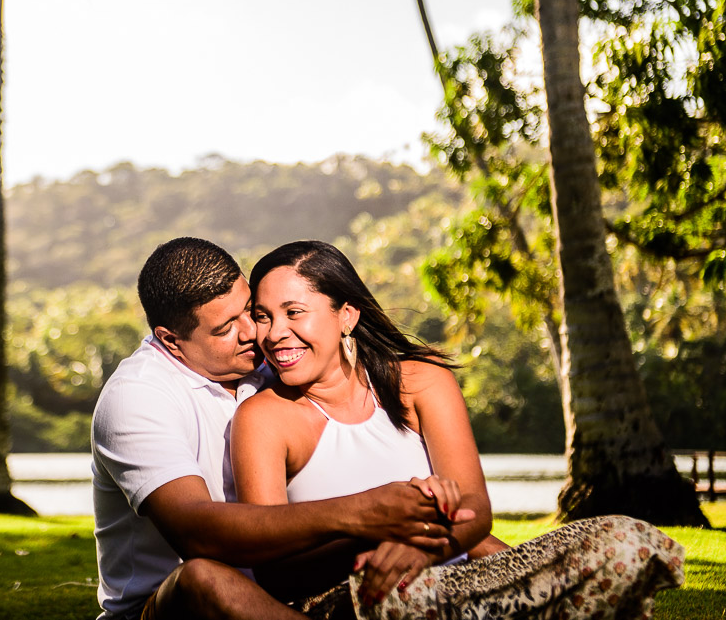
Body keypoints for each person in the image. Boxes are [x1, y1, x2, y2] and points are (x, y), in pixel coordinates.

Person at [234, 240, 685, 619]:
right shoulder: (262, 418)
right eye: (263, 316)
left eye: (294, 312)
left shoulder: (420, 379)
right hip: (357, 597)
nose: (275, 334)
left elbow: (474, 507)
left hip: (459, 577)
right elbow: (272, 568)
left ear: (346, 315)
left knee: (624, 542)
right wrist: (378, 529)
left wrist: (423, 550)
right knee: (405, 595)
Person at [91, 237, 461, 620]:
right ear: (172, 340)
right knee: (203, 578)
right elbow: (197, 534)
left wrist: (425, 526)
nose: (253, 331)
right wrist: (361, 512)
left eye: (250, 310)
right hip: (168, 608)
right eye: (225, 329)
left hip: (286, 592)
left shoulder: (269, 365)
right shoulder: (137, 397)